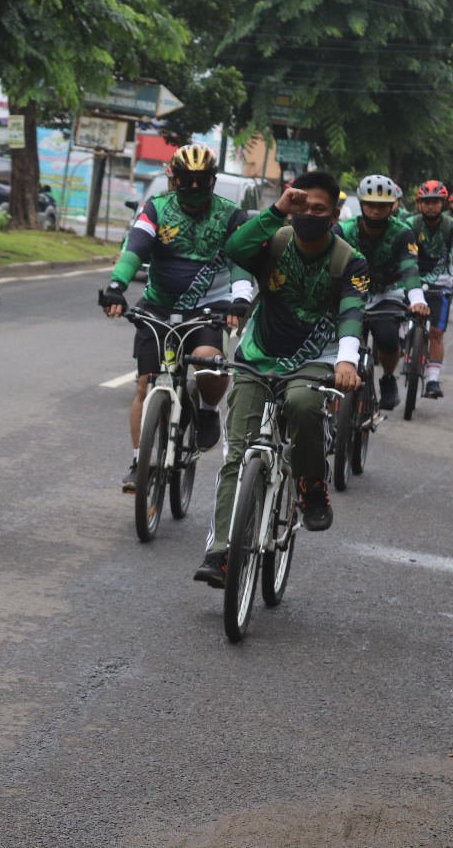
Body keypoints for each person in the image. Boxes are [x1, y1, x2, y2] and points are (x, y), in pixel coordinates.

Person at [194, 171, 367, 587]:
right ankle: (220, 552)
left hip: (315, 361)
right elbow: (235, 248)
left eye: (318, 209)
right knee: (237, 455)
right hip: (258, 356)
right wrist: (275, 211)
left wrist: (347, 361)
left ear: (335, 214)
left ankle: (310, 484)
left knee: (305, 405)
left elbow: (351, 313)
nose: (308, 214)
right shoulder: (275, 239)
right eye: (302, 205)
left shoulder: (349, 260)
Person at [99, 143, 252, 492]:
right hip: (158, 307)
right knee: (144, 384)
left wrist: (240, 299)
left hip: (210, 309)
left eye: (201, 180)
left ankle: (209, 409)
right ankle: (141, 460)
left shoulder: (231, 214)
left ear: (212, 181)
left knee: (209, 363)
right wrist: (116, 286)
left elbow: (241, 261)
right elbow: (135, 248)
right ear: (174, 180)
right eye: (187, 179)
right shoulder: (156, 209)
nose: (194, 188)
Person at [334, 174, 429, 410]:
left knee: (387, 336)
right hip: (348, 293)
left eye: (382, 206)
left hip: (387, 293)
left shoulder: (403, 232)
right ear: (362, 204)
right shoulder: (342, 229)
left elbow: (410, 268)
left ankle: (388, 377)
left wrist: (417, 299)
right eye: (371, 204)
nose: (376, 211)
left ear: (392, 207)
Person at [411, 180, 453, 399]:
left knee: (436, 332)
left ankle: (433, 380)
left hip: (442, 284)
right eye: (426, 202)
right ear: (419, 204)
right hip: (411, 281)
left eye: (435, 202)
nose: (430, 206)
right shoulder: (410, 223)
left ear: (443, 204)